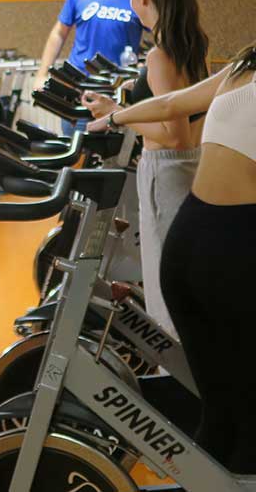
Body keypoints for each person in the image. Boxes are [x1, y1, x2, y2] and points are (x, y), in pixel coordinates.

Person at [87, 42, 256, 474]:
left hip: (188, 243)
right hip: (233, 253)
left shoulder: (245, 63)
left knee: (221, 414)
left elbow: (172, 103)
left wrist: (112, 117)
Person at [82, 0, 208, 340]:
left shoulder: (160, 55)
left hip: (167, 174)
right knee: (177, 282)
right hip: (186, 170)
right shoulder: (189, 46)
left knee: (162, 289)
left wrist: (120, 114)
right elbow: (191, 121)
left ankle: (174, 380)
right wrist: (123, 110)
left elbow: (175, 135)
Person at [32, 0, 145, 134]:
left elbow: (158, 32)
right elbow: (59, 33)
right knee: (77, 157)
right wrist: (41, 73)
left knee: (113, 158)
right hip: (80, 91)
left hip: (118, 92)